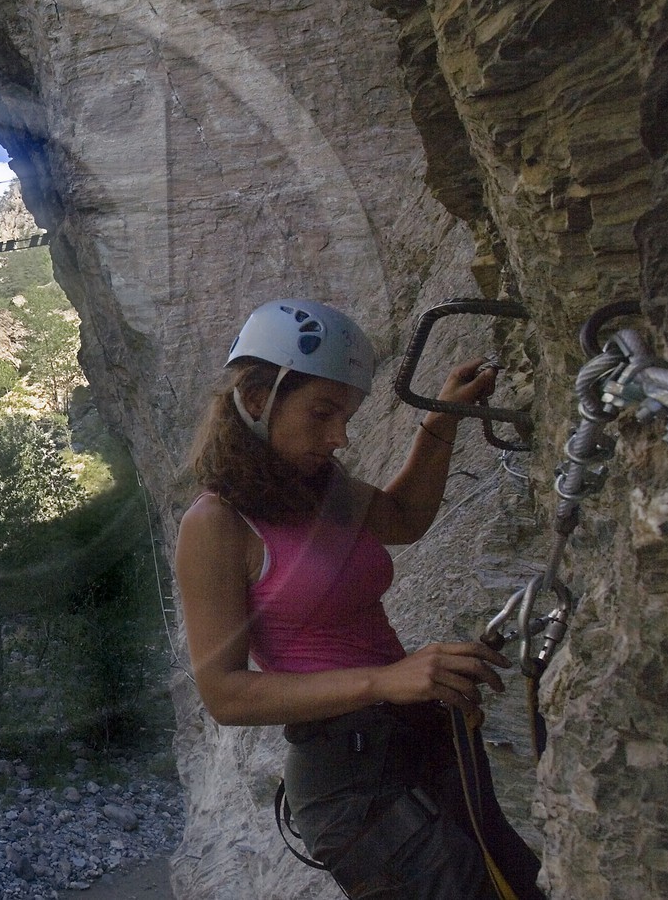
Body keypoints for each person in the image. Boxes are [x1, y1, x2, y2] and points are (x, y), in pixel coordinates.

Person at [175, 298, 545, 900]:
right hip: (347, 782)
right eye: (322, 413)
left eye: (344, 415)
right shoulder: (216, 524)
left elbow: (404, 516)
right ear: (255, 400)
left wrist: (443, 417)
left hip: (413, 739)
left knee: (518, 886)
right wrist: (385, 680)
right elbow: (225, 693)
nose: (339, 436)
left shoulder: (323, 491)